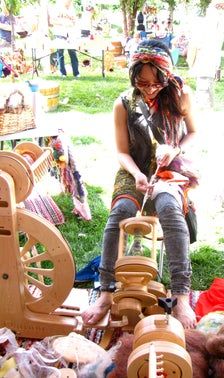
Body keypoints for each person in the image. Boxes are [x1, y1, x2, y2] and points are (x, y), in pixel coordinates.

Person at [82, 39, 198, 330]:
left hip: (169, 168)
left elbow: (194, 132)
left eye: (154, 83)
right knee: (118, 216)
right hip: (134, 170)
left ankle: (181, 295)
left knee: (171, 211)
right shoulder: (122, 103)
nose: (148, 88)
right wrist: (136, 175)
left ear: (166, 75)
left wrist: (176, 149)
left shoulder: (181, 94)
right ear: (133, 76)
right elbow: (122, 151)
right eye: (141, 82)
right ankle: (106, 292)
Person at [50, 0, 80, 78]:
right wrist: (62, 23)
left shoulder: (72, 9)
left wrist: (72, 23)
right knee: (60, 54)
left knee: (72, 53)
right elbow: (52, 21)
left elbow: (75, 21)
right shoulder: (57, 8)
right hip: (60, 33)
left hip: (70, 34)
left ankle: (76, 73)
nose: (69, 2)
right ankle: (63, 73)